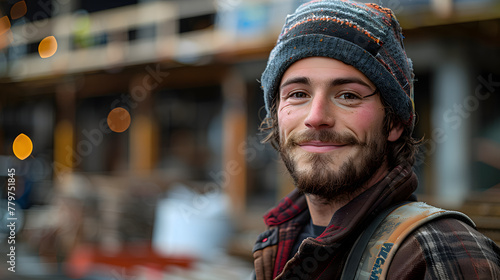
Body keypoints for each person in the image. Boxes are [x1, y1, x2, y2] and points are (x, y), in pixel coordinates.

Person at [252, 0, 500, 279]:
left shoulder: (438, 251)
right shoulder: (277, 241)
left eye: (348, 95)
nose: (316, 116)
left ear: (393, 122)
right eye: (298, 94)